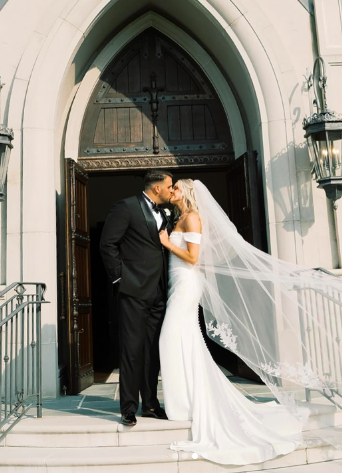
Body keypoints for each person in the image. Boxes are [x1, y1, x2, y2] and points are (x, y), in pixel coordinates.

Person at [158, 179, 307, 465]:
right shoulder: (180, 217)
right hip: (177, 285)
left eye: (176, 187)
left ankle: (182, 404)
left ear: (187, 192)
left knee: (170, 338)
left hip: (188, 284)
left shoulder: (192, 218)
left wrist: (166, 244)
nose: (172, 190)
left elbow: (193, 257)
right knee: (186, 341)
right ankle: (185, 403)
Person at [100, 170, 174, 426]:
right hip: (132, 290)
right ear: (156, 189)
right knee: (132, 350)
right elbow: (107, 244)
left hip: (158, 291)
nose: (171, 190)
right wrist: (120, 279)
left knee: (152, 350)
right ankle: (128, 408)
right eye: (169, 186)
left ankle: (151, 404)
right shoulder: (127, 207)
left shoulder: (165, 213)